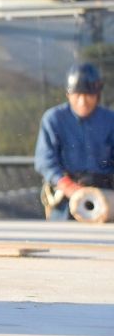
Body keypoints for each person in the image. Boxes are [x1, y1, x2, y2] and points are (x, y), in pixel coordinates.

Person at [35, 63, 114, 221]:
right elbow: (44, 161)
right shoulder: (54, 119)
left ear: (97, 95)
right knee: (63, 242)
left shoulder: (110, 120)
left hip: (105, 197)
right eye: (77, 95)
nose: (82, 101)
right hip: (65, 199)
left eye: (88, 95)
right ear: (68, 94)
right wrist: (67, 186)